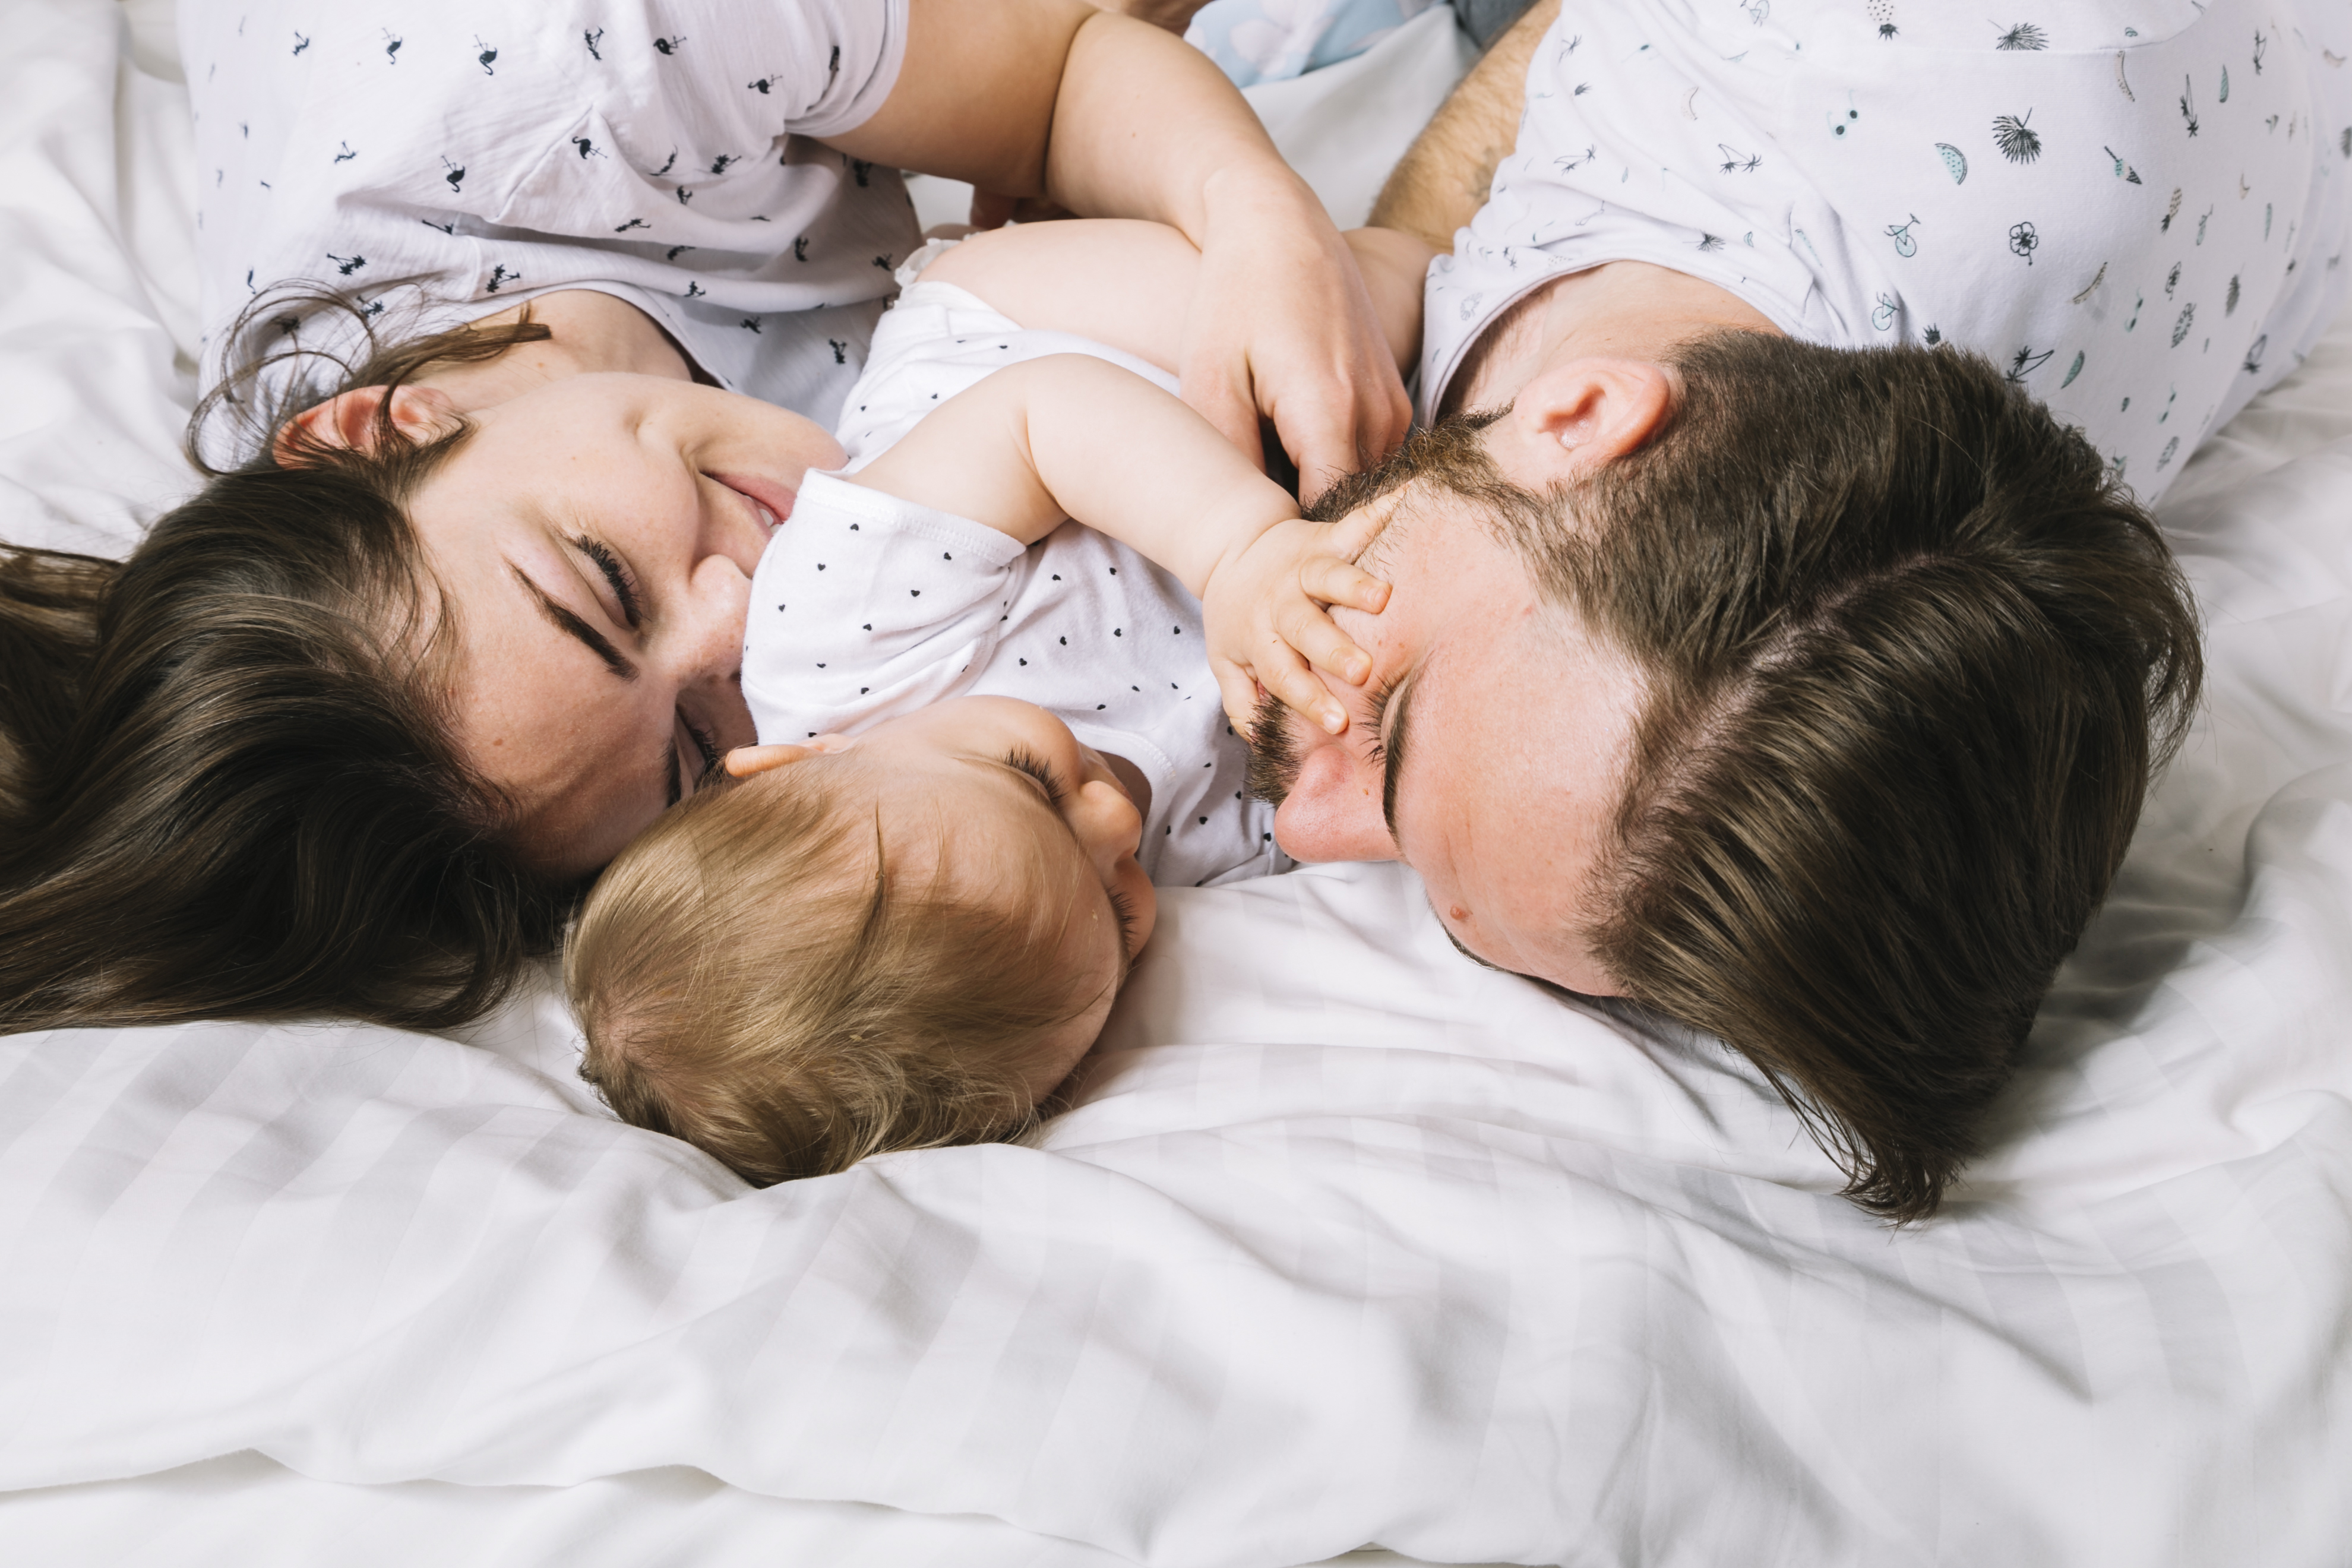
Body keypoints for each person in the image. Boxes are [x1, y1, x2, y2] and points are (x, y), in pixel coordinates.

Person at [0, 0, 1410, 1036]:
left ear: (383, 425)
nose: (743, 616)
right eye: (689, 746)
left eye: (603, 584)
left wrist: (1257, 217)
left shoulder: (588, 71)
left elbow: (1063, 77)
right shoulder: (395, 685)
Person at [1233, 0, 2332, 1218]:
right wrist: (1374, 251)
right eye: (1389, 729)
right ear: (1580, 417)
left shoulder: (1922, 561)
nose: (1300, 823)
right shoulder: (1809, 56)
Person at [567, 222, 1427, 1184]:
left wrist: (1237, 551)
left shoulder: (829, 644)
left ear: (804, 760)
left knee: (1385, 303)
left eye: (1028, 780)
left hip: (1058, 337)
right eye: (1119, 910)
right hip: (1295, 494)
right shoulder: (1127, 897)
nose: (1113, 819)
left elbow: (1039, 418)